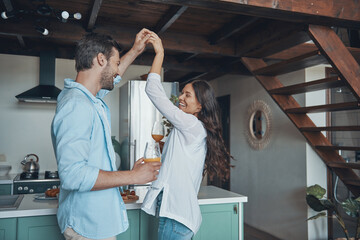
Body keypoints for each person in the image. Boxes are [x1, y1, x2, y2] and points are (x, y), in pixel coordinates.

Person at [51, 29, 161, 240]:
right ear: (101, 59)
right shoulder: (77, 105)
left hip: (95, 224)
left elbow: (112, 79)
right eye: (116, 63)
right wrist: (133, 176)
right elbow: (73, 175)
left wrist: (136, 51)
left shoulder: (86, 99)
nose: (118, 70)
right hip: (87, 227)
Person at [141, 32, 232, 239]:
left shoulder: (191, 123)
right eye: (181, 92)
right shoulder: (196, 128)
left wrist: (160, 52)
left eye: (187, 95)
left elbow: (153, 90)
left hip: (176, 219)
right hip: (181, 219)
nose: (180, 98)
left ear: (200, 105)